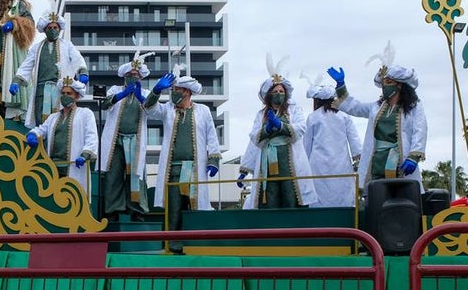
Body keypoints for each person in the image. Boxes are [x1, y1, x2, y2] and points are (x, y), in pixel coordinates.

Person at [144, 70, 222, 253]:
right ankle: (173, 245)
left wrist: (214, 160)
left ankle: (195, 244)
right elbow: (148, 108)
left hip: (194, 169)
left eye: (177, 89)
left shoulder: (202, 110)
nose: (174, 93)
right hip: (173, 169)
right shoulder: (167, 110)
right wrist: (156, 90)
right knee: (174, 208)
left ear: (187, 92)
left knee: (194, 206)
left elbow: (212, 136)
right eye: (173, 89)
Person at [327, 46, 427, 189]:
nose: (384, 87)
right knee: (377, 194)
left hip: (401, 160)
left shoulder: (414, 106)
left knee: (402, 195)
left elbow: (420, 130)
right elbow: (355, 107)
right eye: (383, 83)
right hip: (377, 160)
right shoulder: (376, 107)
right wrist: (341, 85)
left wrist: (414, 156)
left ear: (399, 86)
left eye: (389, 83)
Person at [238, 68, 317, 210]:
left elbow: (301, 128)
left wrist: (280, 126)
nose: (279, 94)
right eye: (275, 92)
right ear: (268, 95)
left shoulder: (294, 110)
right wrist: (266, 130)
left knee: (290, 192)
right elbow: (253, 138)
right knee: (270, 195)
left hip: (290, 160)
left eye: (281, 92)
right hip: (268, 160)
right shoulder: (261, 114)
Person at [98, 51, 154, 220]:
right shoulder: (115, 89)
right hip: (116, 140)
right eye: (130, 74)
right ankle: (113, 209)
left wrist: (139, 96)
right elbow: (105, 104)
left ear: (141, 77)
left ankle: (136, 210)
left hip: (135, 140)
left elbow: (152, 109)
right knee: (114, 174)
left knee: (136, 175)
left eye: (136, 75)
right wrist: (121, 95)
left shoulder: (145, 92)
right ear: (124, 76)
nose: (133, 77)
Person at [26, 73, 99, 200]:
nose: (65, 96)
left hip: (74, 165)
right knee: (55, 200)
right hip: (54, 167)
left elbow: (91, 137)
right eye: (63, 93)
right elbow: (42, 129)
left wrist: (85, 154)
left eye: (69, 93)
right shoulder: (53, 117)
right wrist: (33, 134)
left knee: (74, 199)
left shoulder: (86, 114)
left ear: (76, 96)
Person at [14, 12, 88, 128]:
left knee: (60, 118)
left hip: (60, 89)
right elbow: (26, 65)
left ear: (59, 29)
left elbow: (77, 58)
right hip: (41, 90)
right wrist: (17, 81)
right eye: (50, 28)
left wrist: (82, 71)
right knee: (40, 119)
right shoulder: (36, 48)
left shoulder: (67, 45)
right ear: (44, 29)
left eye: (55, 28)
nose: (53, 30)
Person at [302, 73, 362, 208]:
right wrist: (358, 156)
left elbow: (306, 145)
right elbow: (354, 141)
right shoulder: (344, 116)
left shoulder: (312, 117)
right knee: (342, 193)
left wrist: (303, 164)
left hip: (318, 165)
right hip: (341, 163)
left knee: (320, 195)